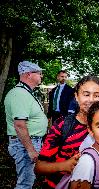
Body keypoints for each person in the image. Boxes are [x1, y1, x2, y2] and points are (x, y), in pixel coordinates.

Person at [35, 75, 99, 188]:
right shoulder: (62, 125)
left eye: (96, 95)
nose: (91, 100)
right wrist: (64, 166)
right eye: (86, 94)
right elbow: (39, 167)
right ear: (76, 96)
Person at [4, 61, 47, 189]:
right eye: (39, 73)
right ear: (28, 74)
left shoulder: (25, 92)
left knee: (28, 180)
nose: (41, 76)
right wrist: (30, 149)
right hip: (24, 145)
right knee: (25, 183)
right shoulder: (20, 94)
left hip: (28, 142)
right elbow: (19, 125)